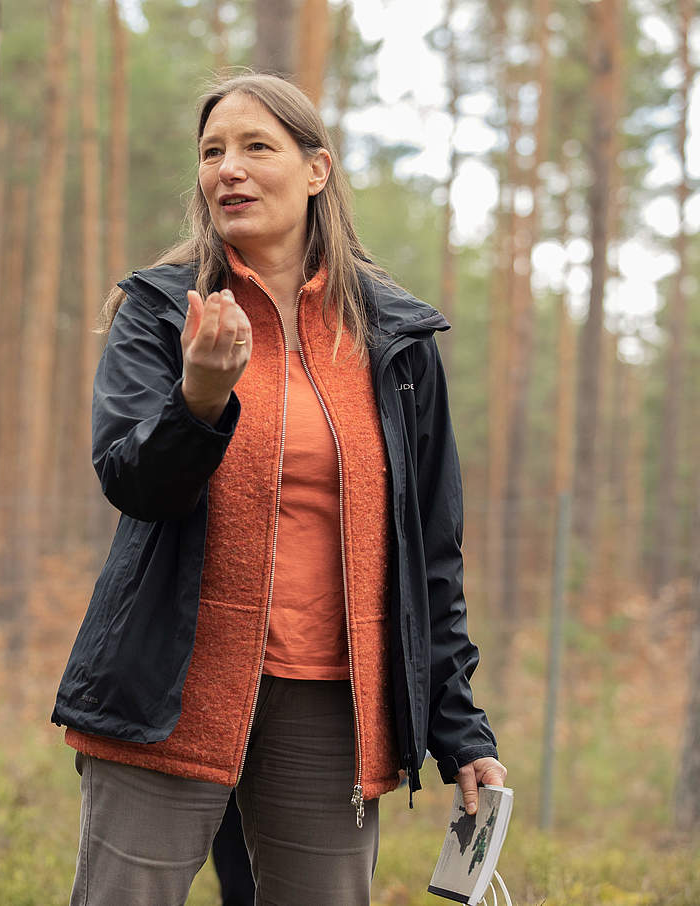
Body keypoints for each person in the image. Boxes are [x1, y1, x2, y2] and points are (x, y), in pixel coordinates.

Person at [51, 72, 506, 906]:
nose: (229, 169)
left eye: (257, 147)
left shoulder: (395, 338)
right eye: (212, 152)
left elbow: (430, 552)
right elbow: (133, 484)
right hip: (173, 683)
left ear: (316, 170)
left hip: (329, 699)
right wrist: (199, 400)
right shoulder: (160, 309)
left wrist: (458, 723)